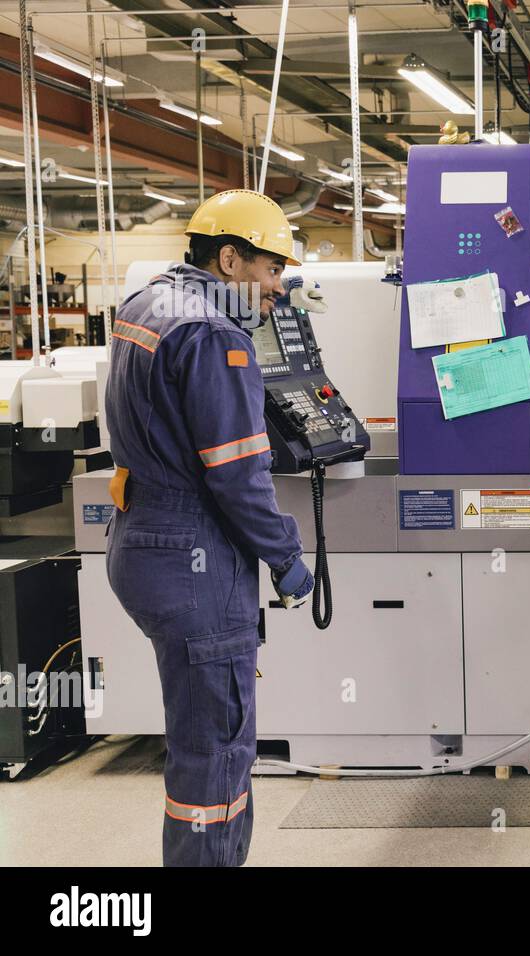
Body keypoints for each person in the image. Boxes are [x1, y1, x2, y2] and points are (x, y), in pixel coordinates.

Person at [105, 189, 314, 866]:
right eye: (270, 269)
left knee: (201, 743)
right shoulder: (217, 333)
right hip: (193, 553)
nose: (278, 288)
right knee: (217, 753)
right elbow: (236, 477)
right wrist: (286, 556)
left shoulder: (148, 303)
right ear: (230, 259)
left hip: (141, 537)